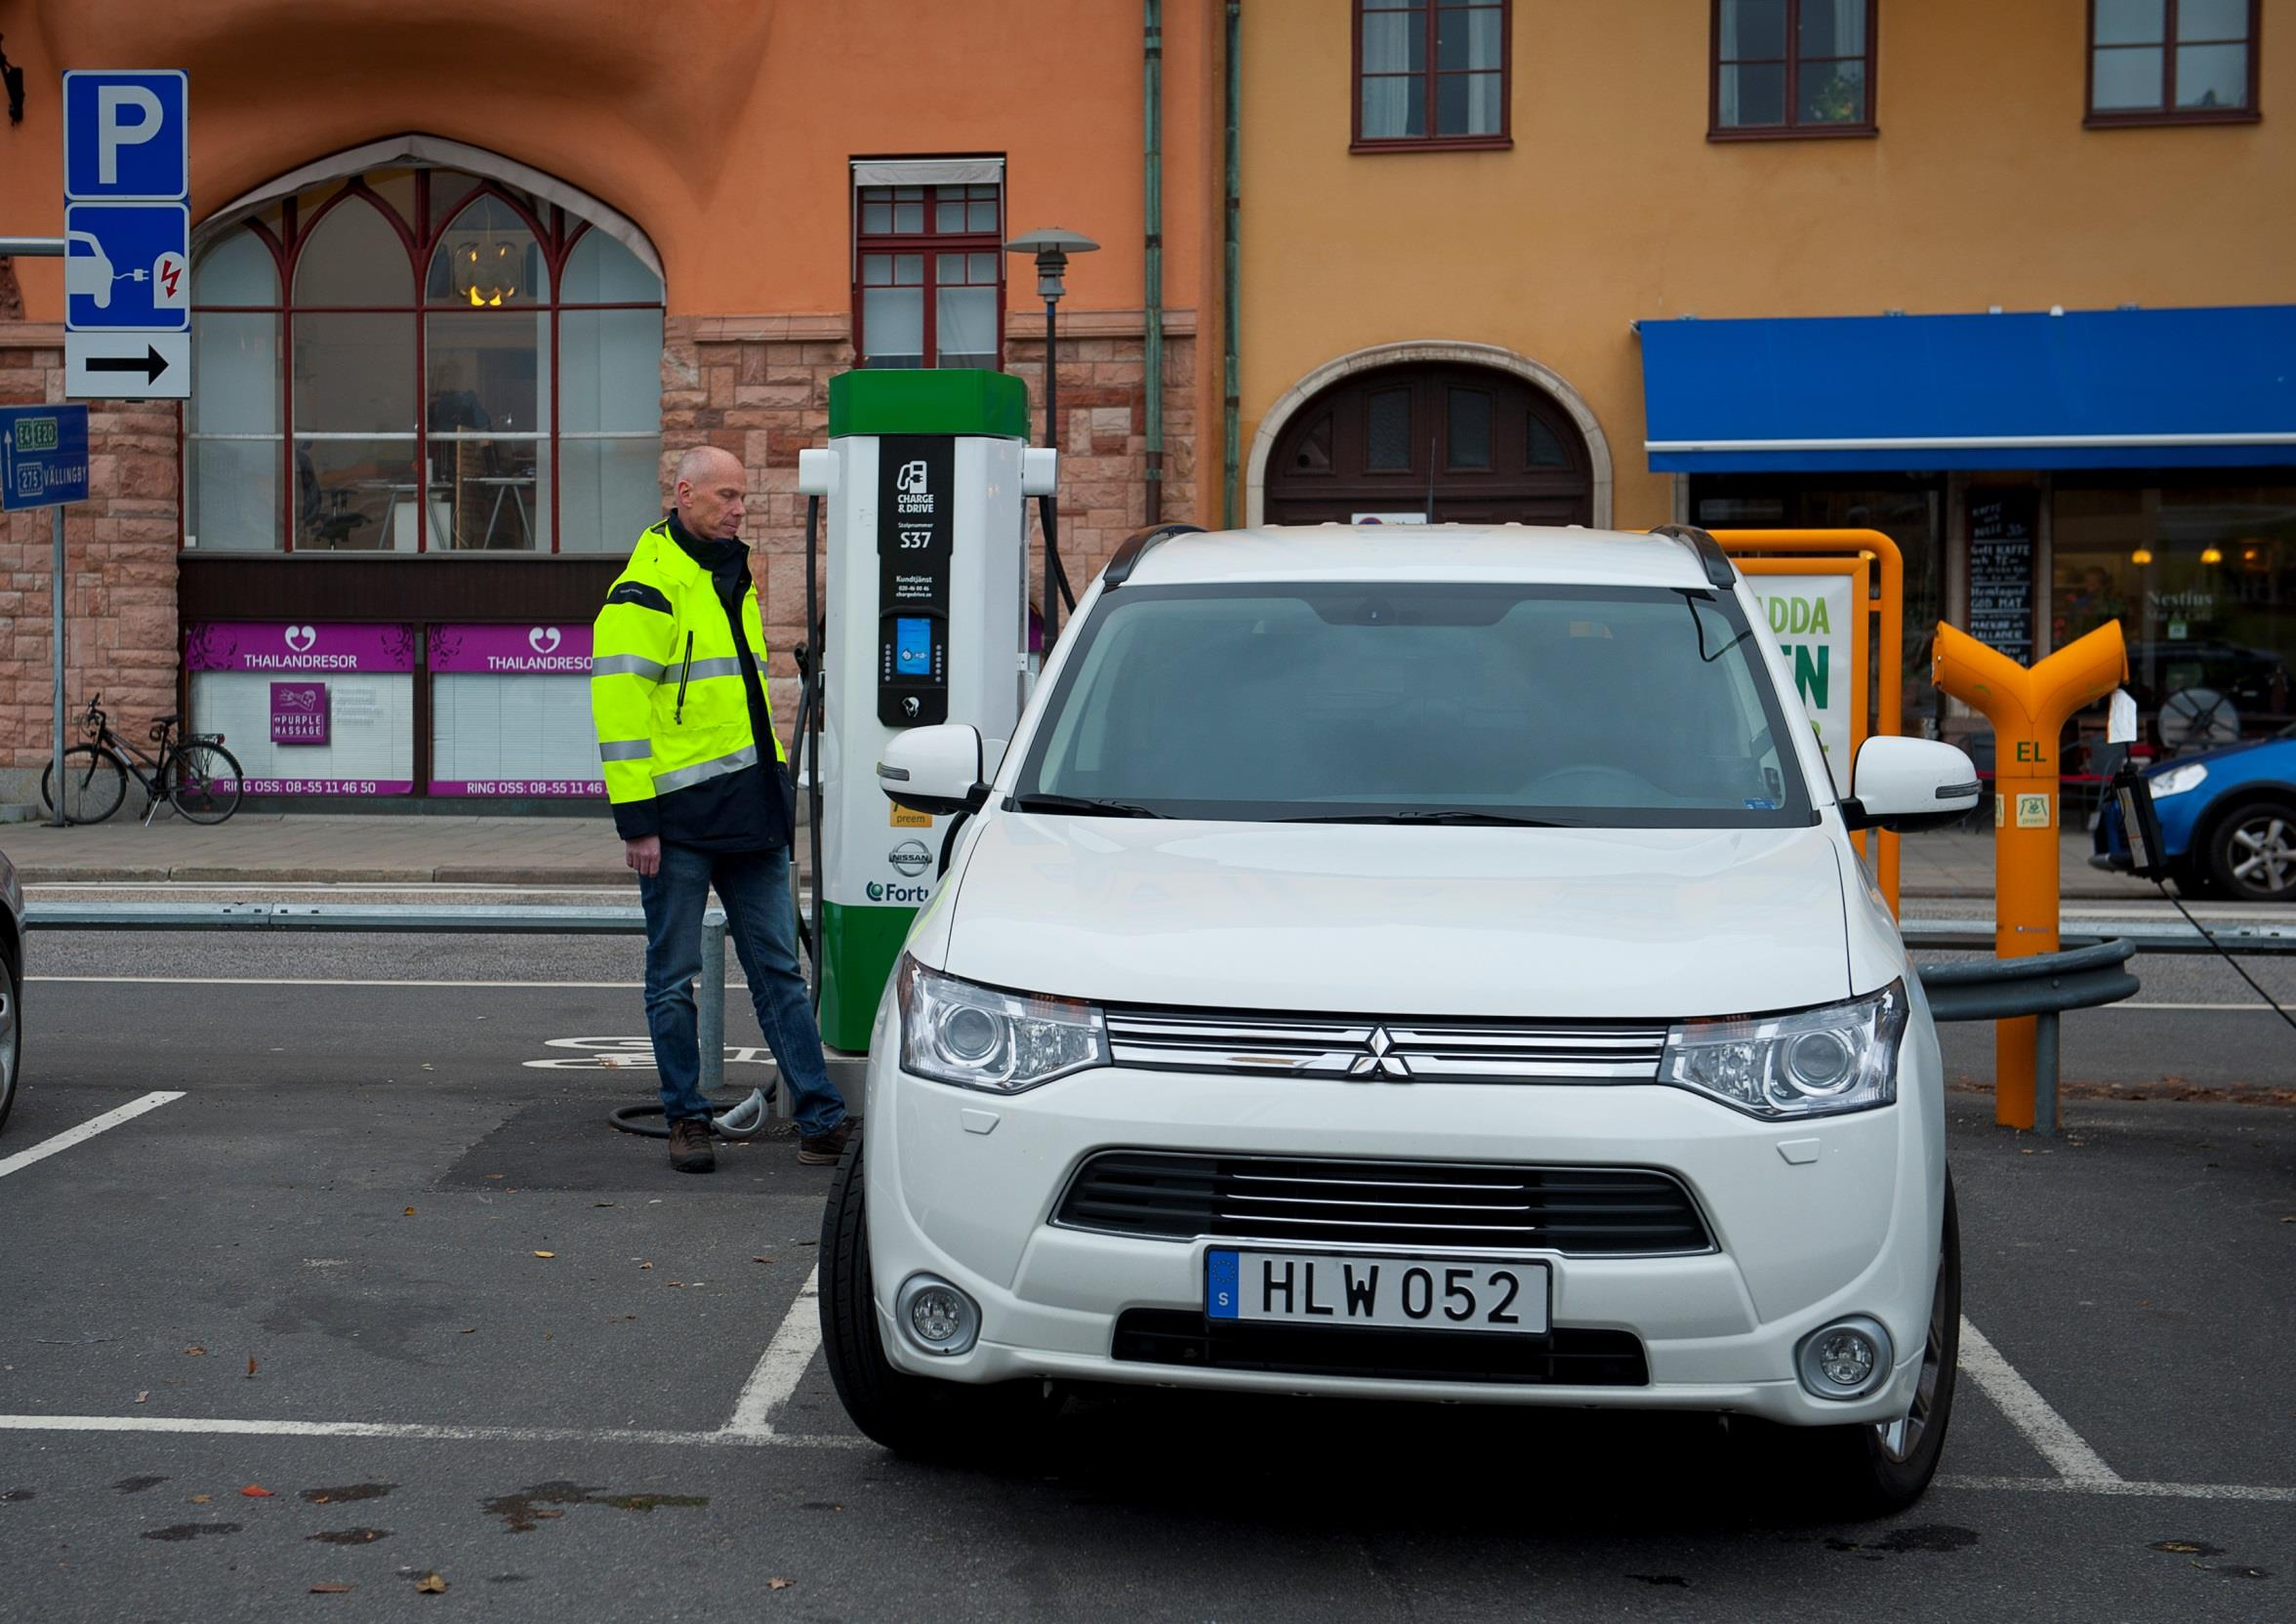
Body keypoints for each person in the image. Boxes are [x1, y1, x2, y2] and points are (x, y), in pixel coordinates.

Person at [591, 446, 851, 1173]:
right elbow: (618, 708)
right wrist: (636, 819)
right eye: (727, 496)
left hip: (748, 811)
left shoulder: (730, 573)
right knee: (673, 977)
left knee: (778, 970)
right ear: (684, 494)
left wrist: (776, 793)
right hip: (674, 821)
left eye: (742, 498)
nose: (740, 509)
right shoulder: (646, 589)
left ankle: (821, 1119)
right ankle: (687, 1120)